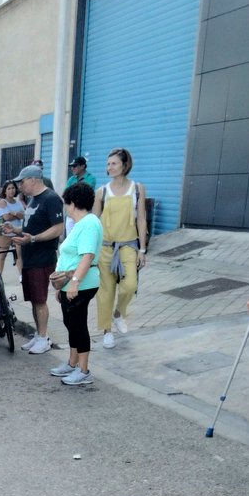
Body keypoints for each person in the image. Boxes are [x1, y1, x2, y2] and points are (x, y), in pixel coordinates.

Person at [48, 182, 103, 387]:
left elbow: (87, 256)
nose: (65, 208)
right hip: (71, 283)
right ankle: (72, 363)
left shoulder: (89, 223)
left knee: (78, 325)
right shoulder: (81, 224)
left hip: (82, 283)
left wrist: (74, 283)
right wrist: (62, 287)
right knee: (71, 323)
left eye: (66, 203)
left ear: (74, 203)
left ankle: (84, 370)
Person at [93, 148, 148, 349]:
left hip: (128, 246)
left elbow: (141, 219)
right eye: (108, 164)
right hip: (105, 248)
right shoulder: (102, 192)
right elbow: (94, 222)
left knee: (130, 285)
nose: (110, 167)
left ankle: (118, 313)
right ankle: (107, 330)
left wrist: (142, 250)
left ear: (125, 165)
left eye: (114, 163)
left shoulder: (138, 188)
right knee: (105, 291)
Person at [7, 164, 64, 355]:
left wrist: (33, 239)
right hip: (30, 257)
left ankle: (43, 336)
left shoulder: (51, 199)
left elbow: (58, 228)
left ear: (33, 180)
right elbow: (31, 227)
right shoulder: (31, 200)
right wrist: (14, 230)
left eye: (22, 182)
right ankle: (38, 335)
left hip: (42, 257)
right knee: (32, 299)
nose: (19, 186)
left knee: (40, 300)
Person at [0, 180, 24, 274]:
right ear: (5, 191)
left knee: (19, 255)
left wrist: (13, 213)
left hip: (17, 231)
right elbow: (6, 217)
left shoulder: (18, 202)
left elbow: (23, 215)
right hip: (5, 232)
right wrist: (17, 215)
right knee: (2, 255)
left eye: (13, 188)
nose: (11, 190)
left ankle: (21, 276)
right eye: (9, 188)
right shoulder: (3, 202)